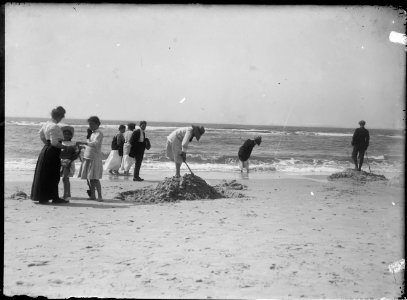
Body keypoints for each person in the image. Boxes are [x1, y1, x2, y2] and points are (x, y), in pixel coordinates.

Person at [31, 106, 70, 204]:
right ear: (60, 116)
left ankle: (43, 196)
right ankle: (54, 197)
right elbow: (54, 143)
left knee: (44, 174)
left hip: (46, 150)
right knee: (53, 175)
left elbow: (41, 135)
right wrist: (65, 147)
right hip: (52, 152)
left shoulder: (46, 124)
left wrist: (46, 144)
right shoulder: (55, 126)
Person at [77, 116, 104, 201]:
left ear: (97, 124)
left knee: (95, 178)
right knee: (90, 178)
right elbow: (89, 145)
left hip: (95, 158)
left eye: (92, 124)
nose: (90, 126)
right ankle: (93, 195)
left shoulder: (99, 133)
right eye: (89, 124)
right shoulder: (92, 133)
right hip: (88, 157)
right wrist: (82, 146)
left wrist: (83, 142)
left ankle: (100, 196)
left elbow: (95, 144)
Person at [60, 125, 80, 200]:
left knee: (65, 178)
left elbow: (76, 154)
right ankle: (68, 194)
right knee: (65, 179)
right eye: (65, 133)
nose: (66, 135)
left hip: (69, 163)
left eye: (68, 134)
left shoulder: (73, 143)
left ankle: (66, 195)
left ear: (71, 135)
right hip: (61, 162)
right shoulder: (60, 143)